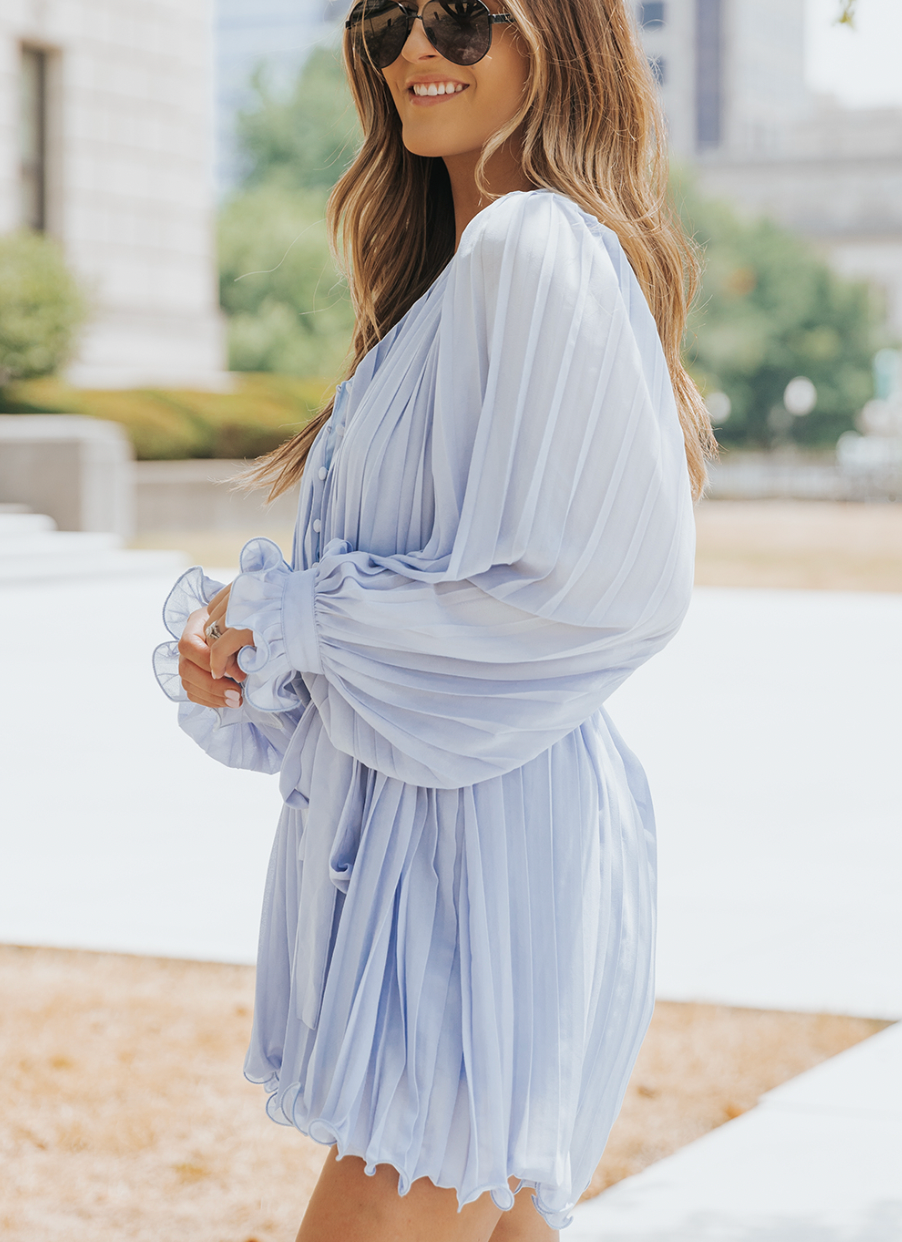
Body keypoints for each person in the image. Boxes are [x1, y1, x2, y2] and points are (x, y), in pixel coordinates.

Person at [154, 0, 714, 1237]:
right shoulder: (462, 276)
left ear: (553, 39)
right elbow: (441, 577)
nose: (413, 49)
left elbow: (598, 593)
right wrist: (259, 646)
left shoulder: (532, 245)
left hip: (480, 846)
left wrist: (293, 620)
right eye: (385, 18)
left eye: (462, 19)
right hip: (455, 829)